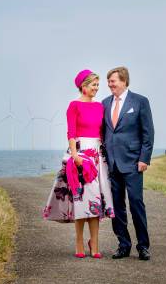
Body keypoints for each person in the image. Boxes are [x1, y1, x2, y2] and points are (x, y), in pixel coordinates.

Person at [43, 69, 114, 258]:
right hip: (80, 156)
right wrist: (75, 156)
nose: (96, 88)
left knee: (96, 202)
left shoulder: (100, 107)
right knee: (81, 201)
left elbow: (102, 134)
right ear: (83, 86)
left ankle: (95, 244)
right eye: (93, 85)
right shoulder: (74, 106)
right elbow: (71, 133)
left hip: (97, 158)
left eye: (98, 85)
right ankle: (79, 242)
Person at [102, 66, 154, 261]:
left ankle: (143, 246)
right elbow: (104, 132)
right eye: (109, 81)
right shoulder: (105, 103)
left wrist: (144, 159)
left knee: (136, 204)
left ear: (123, 81)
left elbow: (148, 133)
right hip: (112, 164)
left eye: (113, 81)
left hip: (133, 163)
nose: (110, 84)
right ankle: (123, 244)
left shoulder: (140, 102)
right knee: (116, 207)